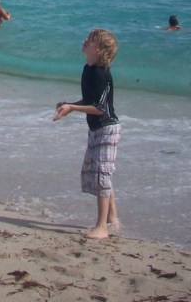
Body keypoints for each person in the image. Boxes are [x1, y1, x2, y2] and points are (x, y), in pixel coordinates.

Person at [53, 28, 121, 240]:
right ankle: (112, 219)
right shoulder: (88, 69)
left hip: (107, 128)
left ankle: (102, 227)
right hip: (96, 128)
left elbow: (99, 108)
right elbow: (90, 101)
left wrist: (72, 108)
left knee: (102, 174)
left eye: (90, 39)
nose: (85, 40)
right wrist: (69, 106)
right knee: (99, 172)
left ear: (99, 49)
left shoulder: (100, 73)